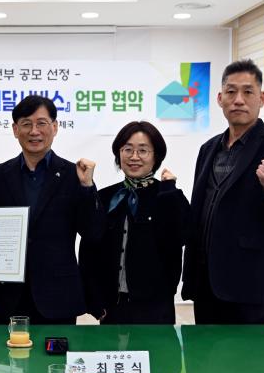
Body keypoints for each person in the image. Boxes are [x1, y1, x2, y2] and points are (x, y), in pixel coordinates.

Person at [181, 59, 264, 328]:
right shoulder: (208, 148)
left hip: (251, 289)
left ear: (261, 98)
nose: (238, 100)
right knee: (203, 355)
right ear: (219, 98)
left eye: (248, 92)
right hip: (205, 285)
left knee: (251, 357)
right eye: (231, 91)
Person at [0, 94, 103, 325]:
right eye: (26, 124)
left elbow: (93, 232)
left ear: (55, 127)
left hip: (58, 296)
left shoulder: (74, 174)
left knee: (56, 351)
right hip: (10, 295)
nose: (34, 131)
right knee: (10, 350)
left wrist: (87, 186)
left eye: (41, 123)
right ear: (15, 129)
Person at [79, 121, 189, 324]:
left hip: (155, 310)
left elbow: (178, 239)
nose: (134, 157)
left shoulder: (169, 195)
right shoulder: (106, 197)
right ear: (118, 153)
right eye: (127, 149)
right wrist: (95, 303)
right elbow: (89, 250)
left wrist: (169, 192)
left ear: (156, 156)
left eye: (143, 150)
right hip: (112, 308)